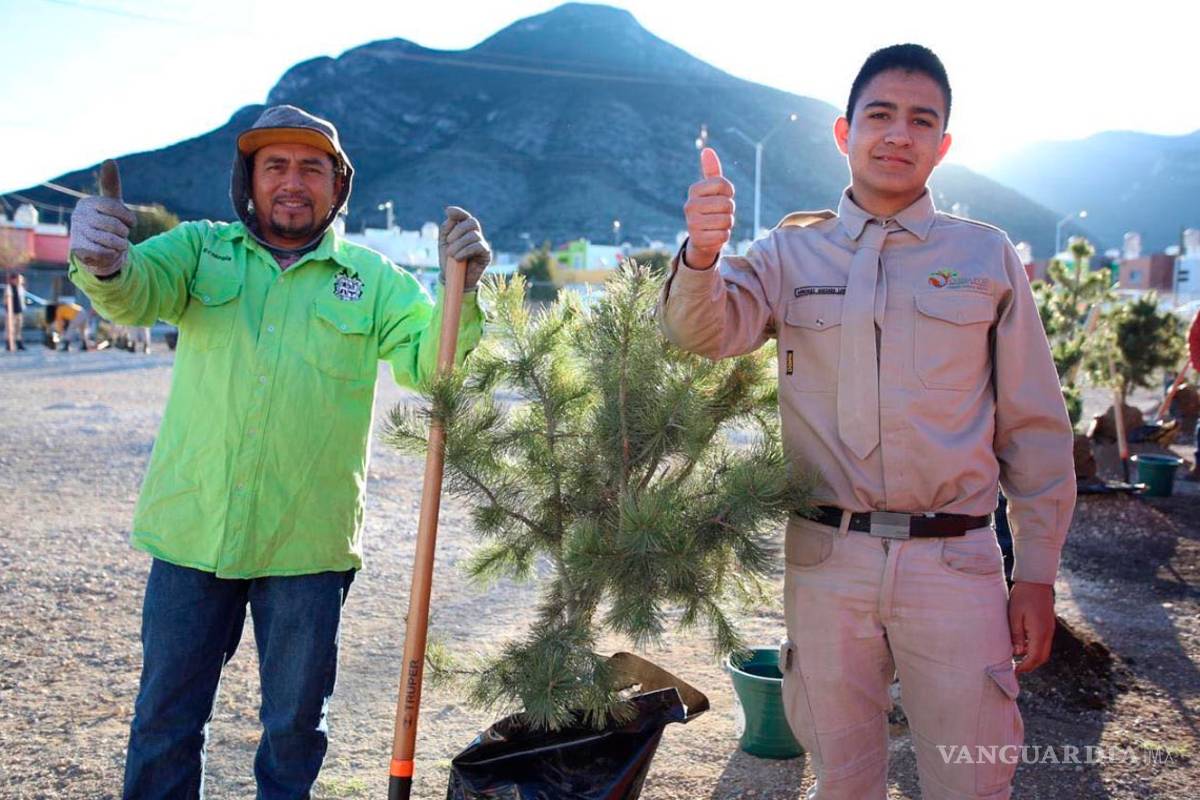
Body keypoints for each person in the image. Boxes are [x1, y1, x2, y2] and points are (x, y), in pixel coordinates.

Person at [659, 44, 1075, 799]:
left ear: (943, 145)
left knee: (972, 783)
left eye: (922, 121)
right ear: (844, 131)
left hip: (955, 565)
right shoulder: (788, 253)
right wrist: (703, 255)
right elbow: (702, 334)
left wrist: (1037, 573)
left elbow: (1035, 429)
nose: (898, 134)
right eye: (880, 115)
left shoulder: (984, 258)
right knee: (843, 782)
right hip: (828, 562)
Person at [67, 104, 493, 799]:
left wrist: (461, 292)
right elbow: (133, 295)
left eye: (311, 168)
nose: (293, 182)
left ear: (337, 185)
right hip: (191, 533)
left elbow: (431, 365)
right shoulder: (198, 251)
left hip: (308, 547)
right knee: (165, 722)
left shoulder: (374, 279)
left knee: (295, 727)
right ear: (250, 180)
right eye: (276, 166)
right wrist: (101, 259)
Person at [5, 272, 27, 350]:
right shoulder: (9, 288)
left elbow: (22, 299)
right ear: (12, 280)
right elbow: (6, 301)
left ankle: (19, 343)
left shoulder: (19, 288)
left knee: (18, 328)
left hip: (19, 311)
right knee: (10, 329)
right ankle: (9, 344)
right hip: (11, 312)